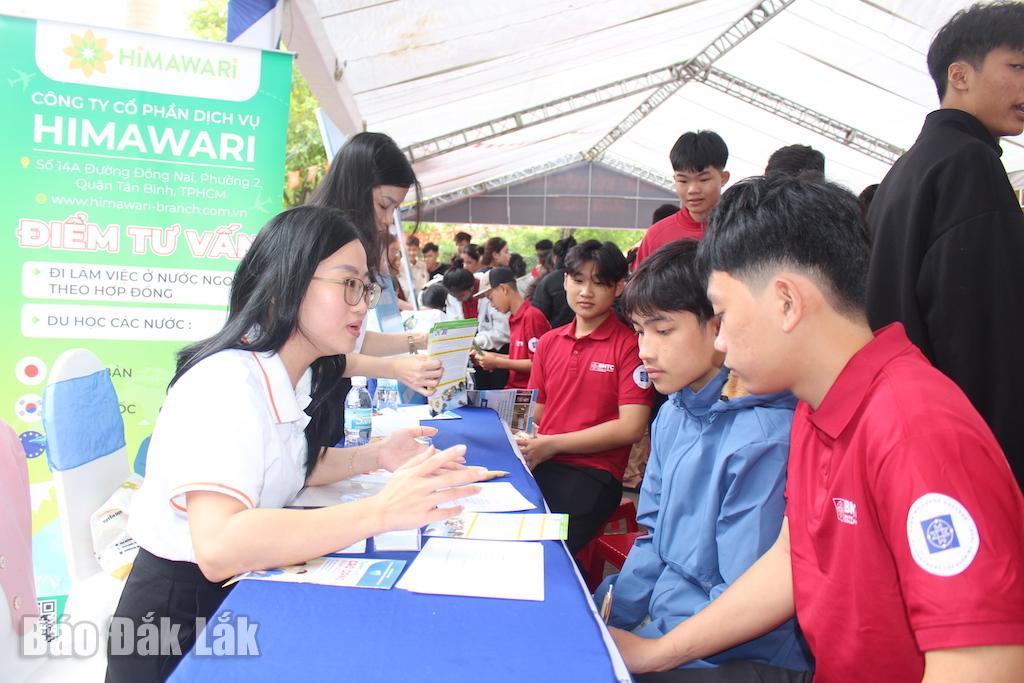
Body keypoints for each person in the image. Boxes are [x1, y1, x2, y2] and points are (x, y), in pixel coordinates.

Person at [611, 174, 1024, 682]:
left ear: (787, 302)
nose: (720, 343)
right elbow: (789, 561)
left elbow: (983, 662)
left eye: (723, 313)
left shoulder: (916, 427)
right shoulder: (816, 408)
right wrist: (656, 654)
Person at [108, 206, 486, 681]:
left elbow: (289, 467)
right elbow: (219, 544)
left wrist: (377, 456)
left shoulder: (291, 374)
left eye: (364, 287)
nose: (362, 303)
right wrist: (381, 512)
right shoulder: (226, 385)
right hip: (178, 626)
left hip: (232, 596)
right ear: (286, 280)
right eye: (348, 284)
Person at [596, 239, 810, 675]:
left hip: (733, 653)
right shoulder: (674, 413)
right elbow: (653, 540)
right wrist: (608, 618)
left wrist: (648, 647)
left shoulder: (763, 438)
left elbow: (742, 601)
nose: (645, 351)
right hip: (670, 628)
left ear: (719, 326)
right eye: (639, 331)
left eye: (663, 330)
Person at [865, 2, 1024, 488]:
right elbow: (984, 336)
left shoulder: (906, 169)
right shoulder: (970, 166)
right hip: (964, 443)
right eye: (1017, 67)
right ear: (960, 74)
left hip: (902, 427)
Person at [518, 240, 652, 554]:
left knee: (544, 550)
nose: (586, 292)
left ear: (619, 287)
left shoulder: (631, 345)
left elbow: (631, 428)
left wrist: (554, 442)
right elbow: (540, 410)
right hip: (542, 461)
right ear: (565, 280)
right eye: (578, 280)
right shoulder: (550, 341)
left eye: (599, 283)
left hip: (593, 473)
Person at [308, 132, 442, 396]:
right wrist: (395, 368)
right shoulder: (315, 241)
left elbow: (352, 341)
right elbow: (318, 350)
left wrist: (420, 341)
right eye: (384, 205)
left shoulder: (341, 241)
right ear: (355, 187)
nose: (388, 220)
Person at [632, 130, 729, 270]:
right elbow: (639, 289)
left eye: (703, 179)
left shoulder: (742, 229)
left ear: (724, 178)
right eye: (683, 181)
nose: (693, 189)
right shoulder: (657, 236)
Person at [471, 267, 551, 389]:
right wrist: (490, 357)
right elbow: (519, 358)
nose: (492, 305)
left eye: (491, 298)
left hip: (529, 393)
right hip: (514, 389)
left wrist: (497, 362)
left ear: (503, 289)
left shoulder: (531, 317)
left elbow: (538, 363)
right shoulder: (514, 318)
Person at [531, 236, 576, 328]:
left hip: (553, 335)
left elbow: (537, 316)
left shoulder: (546, 281)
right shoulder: (583, 278)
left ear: (554, 258)